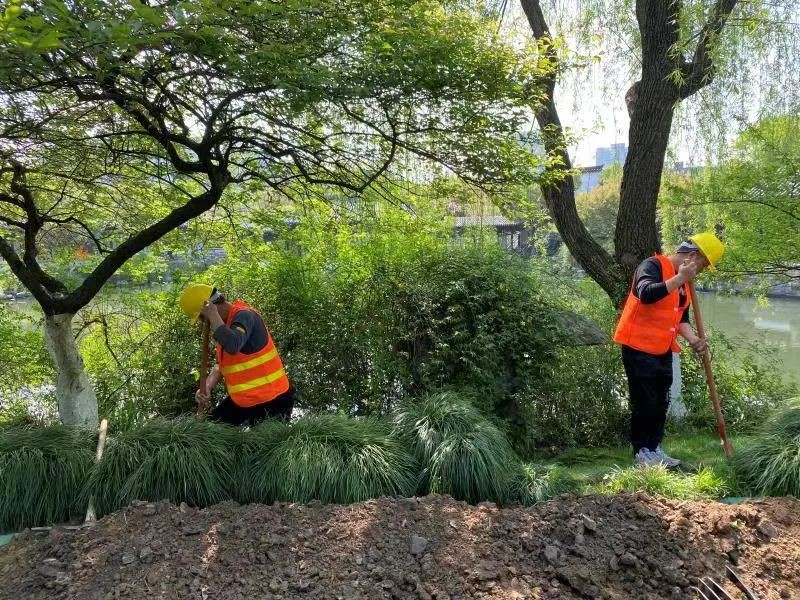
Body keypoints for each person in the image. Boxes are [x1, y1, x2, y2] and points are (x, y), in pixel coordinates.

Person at [613, 233, 725, 468]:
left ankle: (654, 448)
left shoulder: (684, 281)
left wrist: (694, 339)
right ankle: (641, 452)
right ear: (693, 256)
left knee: (661, 401)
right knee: (645, 401)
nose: (701, 271)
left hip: (662, 348)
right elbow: (645, 294)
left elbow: (680, 316)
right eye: (703, 265)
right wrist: (679, 279)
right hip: (638, 346)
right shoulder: (652, 265)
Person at [179, 284, 295, 426]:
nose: (204, 324)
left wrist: (214, 316)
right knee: (209, 431)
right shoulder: (224, 326)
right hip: (245, 400)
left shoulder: (244, 316)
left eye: (202, 319)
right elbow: (222, 365)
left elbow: (233, 344)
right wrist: (207, 386)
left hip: (272, 399)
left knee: (261, 446)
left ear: (210, 309)